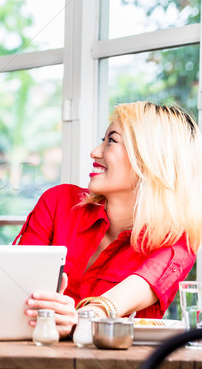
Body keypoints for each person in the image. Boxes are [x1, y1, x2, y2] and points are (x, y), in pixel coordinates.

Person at [14, 101, 202, 337]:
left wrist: (82, 319)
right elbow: (13, 289)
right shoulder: (59, 202)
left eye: (111, 140)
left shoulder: (176, 240)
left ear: (150, 159)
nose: (95, 152)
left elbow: (123, 297)